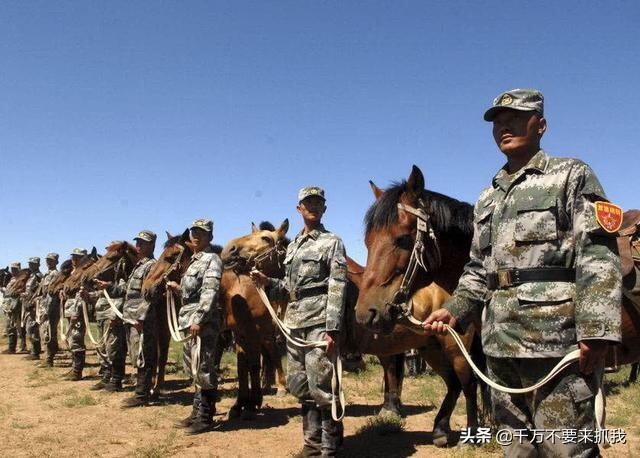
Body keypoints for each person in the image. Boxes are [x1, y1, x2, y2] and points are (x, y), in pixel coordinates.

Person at [422, 89, 622, 457]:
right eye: (497, 121)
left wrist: (597, 331)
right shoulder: (488, 197)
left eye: (515, 117)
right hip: (499, 345)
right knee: (517, 451)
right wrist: (455, 309)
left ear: (541, 125)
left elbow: (597, 254)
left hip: (556, 345)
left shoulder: (571, 175)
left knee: (567, 450)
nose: (504, 126)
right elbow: (478, 269)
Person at [251, 187, 348, 457]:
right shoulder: (293, 245)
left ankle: (327, 447)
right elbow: (289, 287)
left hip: (319, 322)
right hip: (294, 323)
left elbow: (338, 285)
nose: (313, 207)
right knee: (298, 384)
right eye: (308, 203)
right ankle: (312, 442)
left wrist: (333, 328)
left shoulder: (332, 242)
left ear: (324, 209)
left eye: (318, 203)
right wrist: (267, 282)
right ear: (299, 209)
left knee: (322, 385)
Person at [167, 219, 223, 435]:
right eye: (194, 232)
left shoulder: (212, 260)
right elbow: (192, 294)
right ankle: (196, 411)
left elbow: (209, 292)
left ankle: (206, 417)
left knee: (204, 366)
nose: (196, 236)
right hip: (189, 320)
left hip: (203, 323)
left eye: (202, 233)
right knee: (193, 367)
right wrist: (178, 289)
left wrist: (199, 319)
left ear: (210, 237)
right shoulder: (194, 261)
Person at [95, 230, 156, 399]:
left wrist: (141, 317)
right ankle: (140, 390)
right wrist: (107, 286)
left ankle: (141, 394)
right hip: (131, 317)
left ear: (151, 245)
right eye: (137, 242)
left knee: (143, 354)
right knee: (136, 353)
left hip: (140, 318)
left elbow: (150, 294)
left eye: (143, 243)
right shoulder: (139, 265)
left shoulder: (151, 266)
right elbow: (126, 290)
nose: (138, 245)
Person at [61, 248, 89, 381]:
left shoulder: (85, 272)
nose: (74, 259)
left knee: (77, 338)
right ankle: (74, 368)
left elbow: (81, 294)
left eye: (77, 257)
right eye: (73, 257)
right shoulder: (73, 272)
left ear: (84, 258)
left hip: (77, 309)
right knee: (73, 338)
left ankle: (77, 371)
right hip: (70, 307)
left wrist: (76, 312)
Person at [36, 253, 62, 367]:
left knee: (48, 333)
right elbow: (44, 293)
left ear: (56, 262)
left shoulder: (56, 274)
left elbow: (53, 294)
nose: (48, 262)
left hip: (51, 308)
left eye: (51, 261)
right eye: (47, 260)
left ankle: (49, 359)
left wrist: (47, 311)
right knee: (44, 332)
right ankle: (48, 357)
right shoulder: (46, 274)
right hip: (44, 307)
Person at [22, 257, 43, 360]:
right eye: (30, 263)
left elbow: (41, 292)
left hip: (34, 306)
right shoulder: (31, 276)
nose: (31, 265)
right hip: (28, 304)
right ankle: (35, 350)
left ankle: (35, 352)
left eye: (33, 264)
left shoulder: (39, 276)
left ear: (38, 265)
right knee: (30, 328)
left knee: (32, 328)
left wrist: (35, 301)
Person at [2, 262, 23, 354]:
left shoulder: (21, 279)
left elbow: (20, 291)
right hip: (8, 306)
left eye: (15, 269)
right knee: (10, 326)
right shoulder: (11, 279)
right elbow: (8, 292)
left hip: (15, 307)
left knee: (13, 326)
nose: (13, 270)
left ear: (19, 269)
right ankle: (12, 347)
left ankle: (12, 348)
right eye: (12, 269)